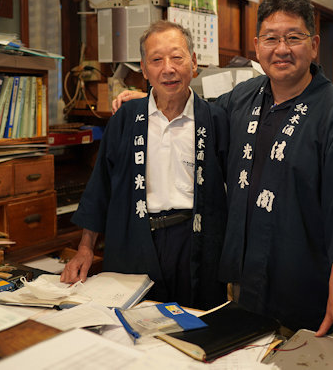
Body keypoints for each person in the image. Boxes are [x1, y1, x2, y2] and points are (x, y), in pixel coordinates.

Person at [113, 0, 333, 359]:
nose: (282, 48)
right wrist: (150, 99)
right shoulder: (243, 98)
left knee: (301, 358)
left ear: (314, 45)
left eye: (294, 37)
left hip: (305, 280)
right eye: (271, 38)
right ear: (257, 46)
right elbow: (197, 113)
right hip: (244, 282)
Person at [61, 21, 229, 310]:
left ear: (194, 63)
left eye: (177, 57)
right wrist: (85, 248)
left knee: (195, 333)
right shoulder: (125, 118)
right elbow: (100, 186)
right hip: (133, 237)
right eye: (156, 60)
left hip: (195, 242)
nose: (168, 68)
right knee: (132, 331)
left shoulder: (215, 119)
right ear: (144, 68)